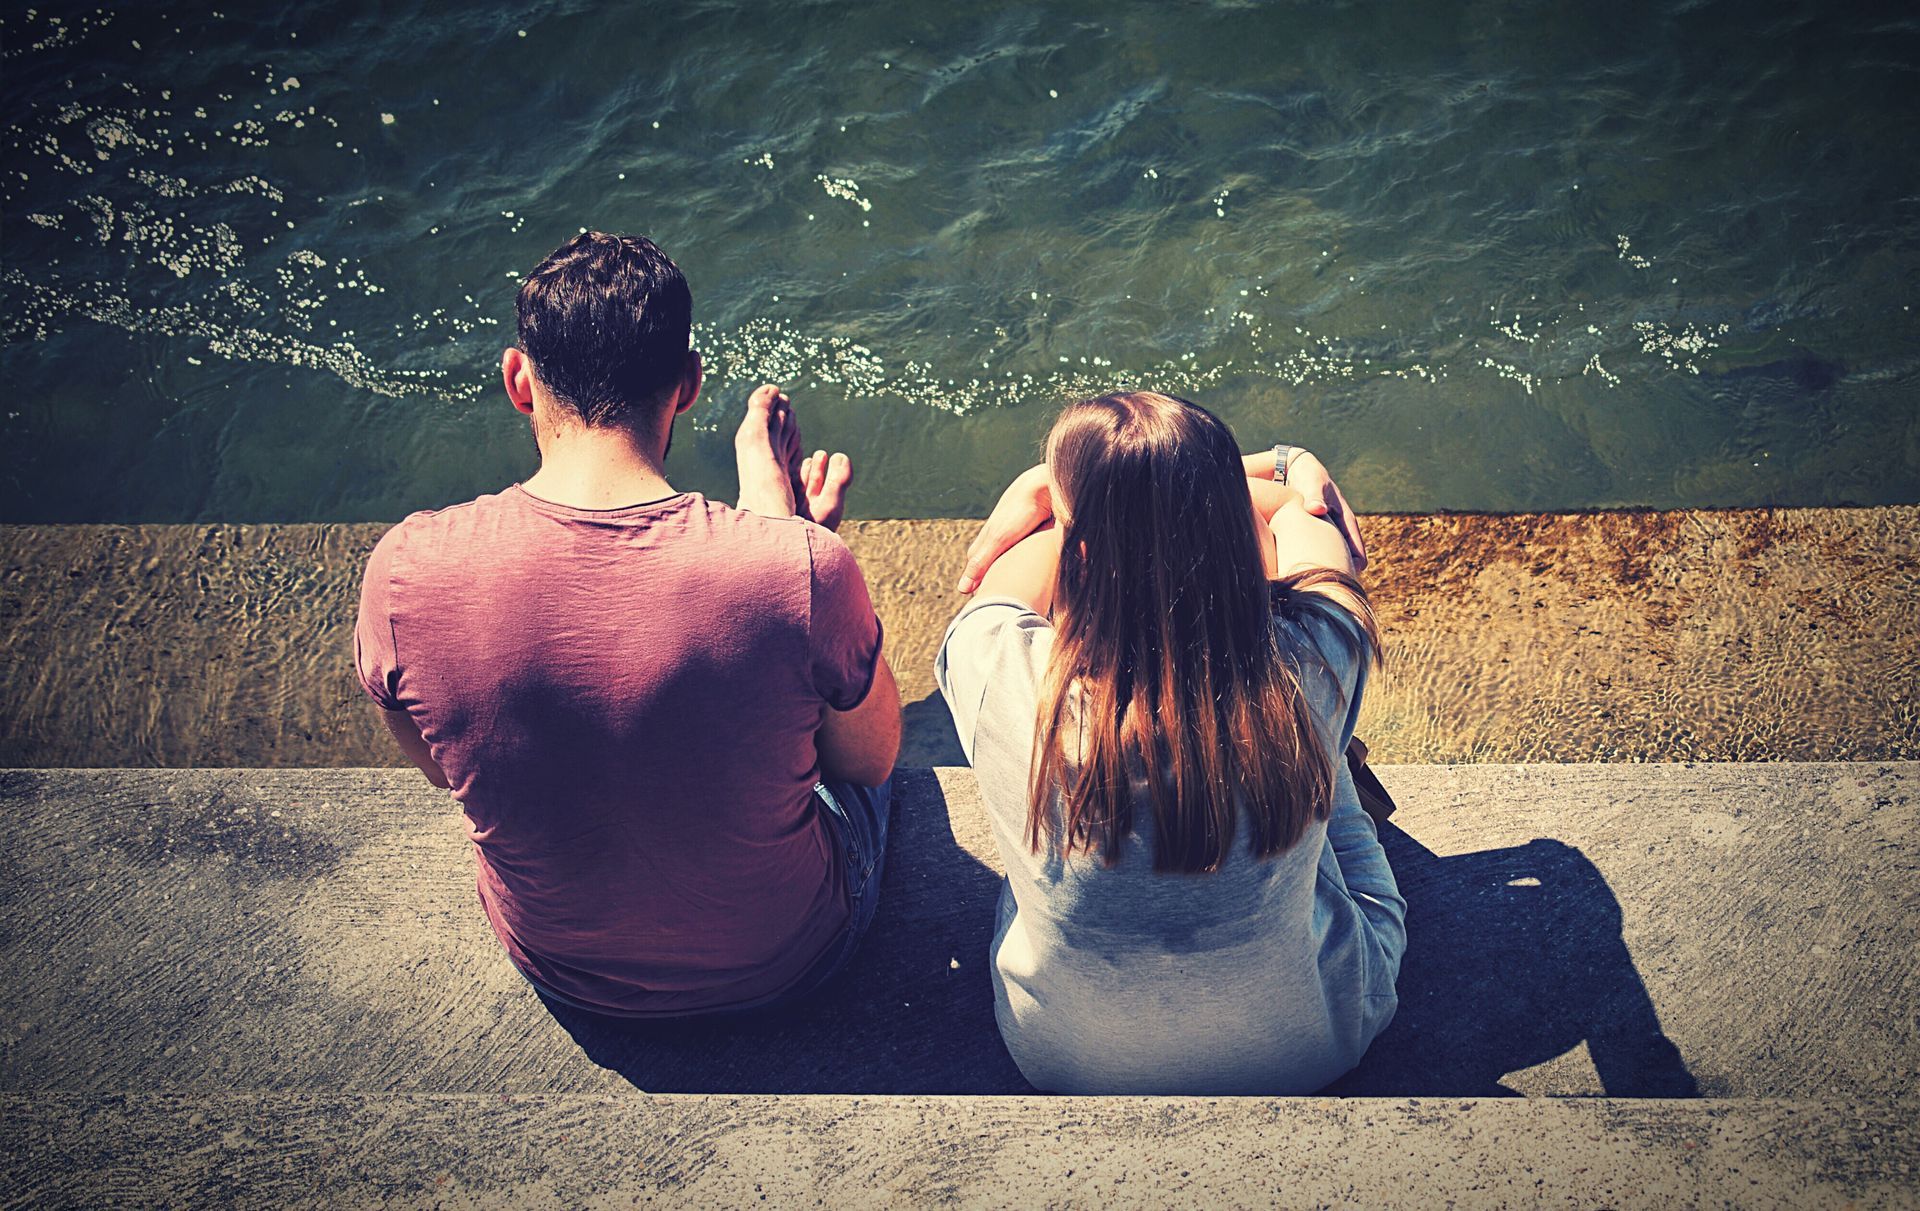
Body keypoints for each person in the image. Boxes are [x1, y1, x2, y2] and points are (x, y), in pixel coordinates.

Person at [354, 232, 901, 1018]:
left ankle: (771, 542)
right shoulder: (815, 574)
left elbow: (442, 771)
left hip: (560, 964)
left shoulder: (406, 571)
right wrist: (810, 571)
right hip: (790, 958)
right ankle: (769, 520)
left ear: (518, 379)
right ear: (688, 383)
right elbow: (871, 760)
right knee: (843, 733)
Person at [935, 391, 1405, 1094]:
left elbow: (997, 578)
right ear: (1230, 526)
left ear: (1080, 548)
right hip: (1313, 1038)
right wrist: (1288, 464)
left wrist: (1046, 487)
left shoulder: (998, 664)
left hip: (1063, 1056)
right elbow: (1305, 519)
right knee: (1313, 746)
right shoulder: (1320, 650)